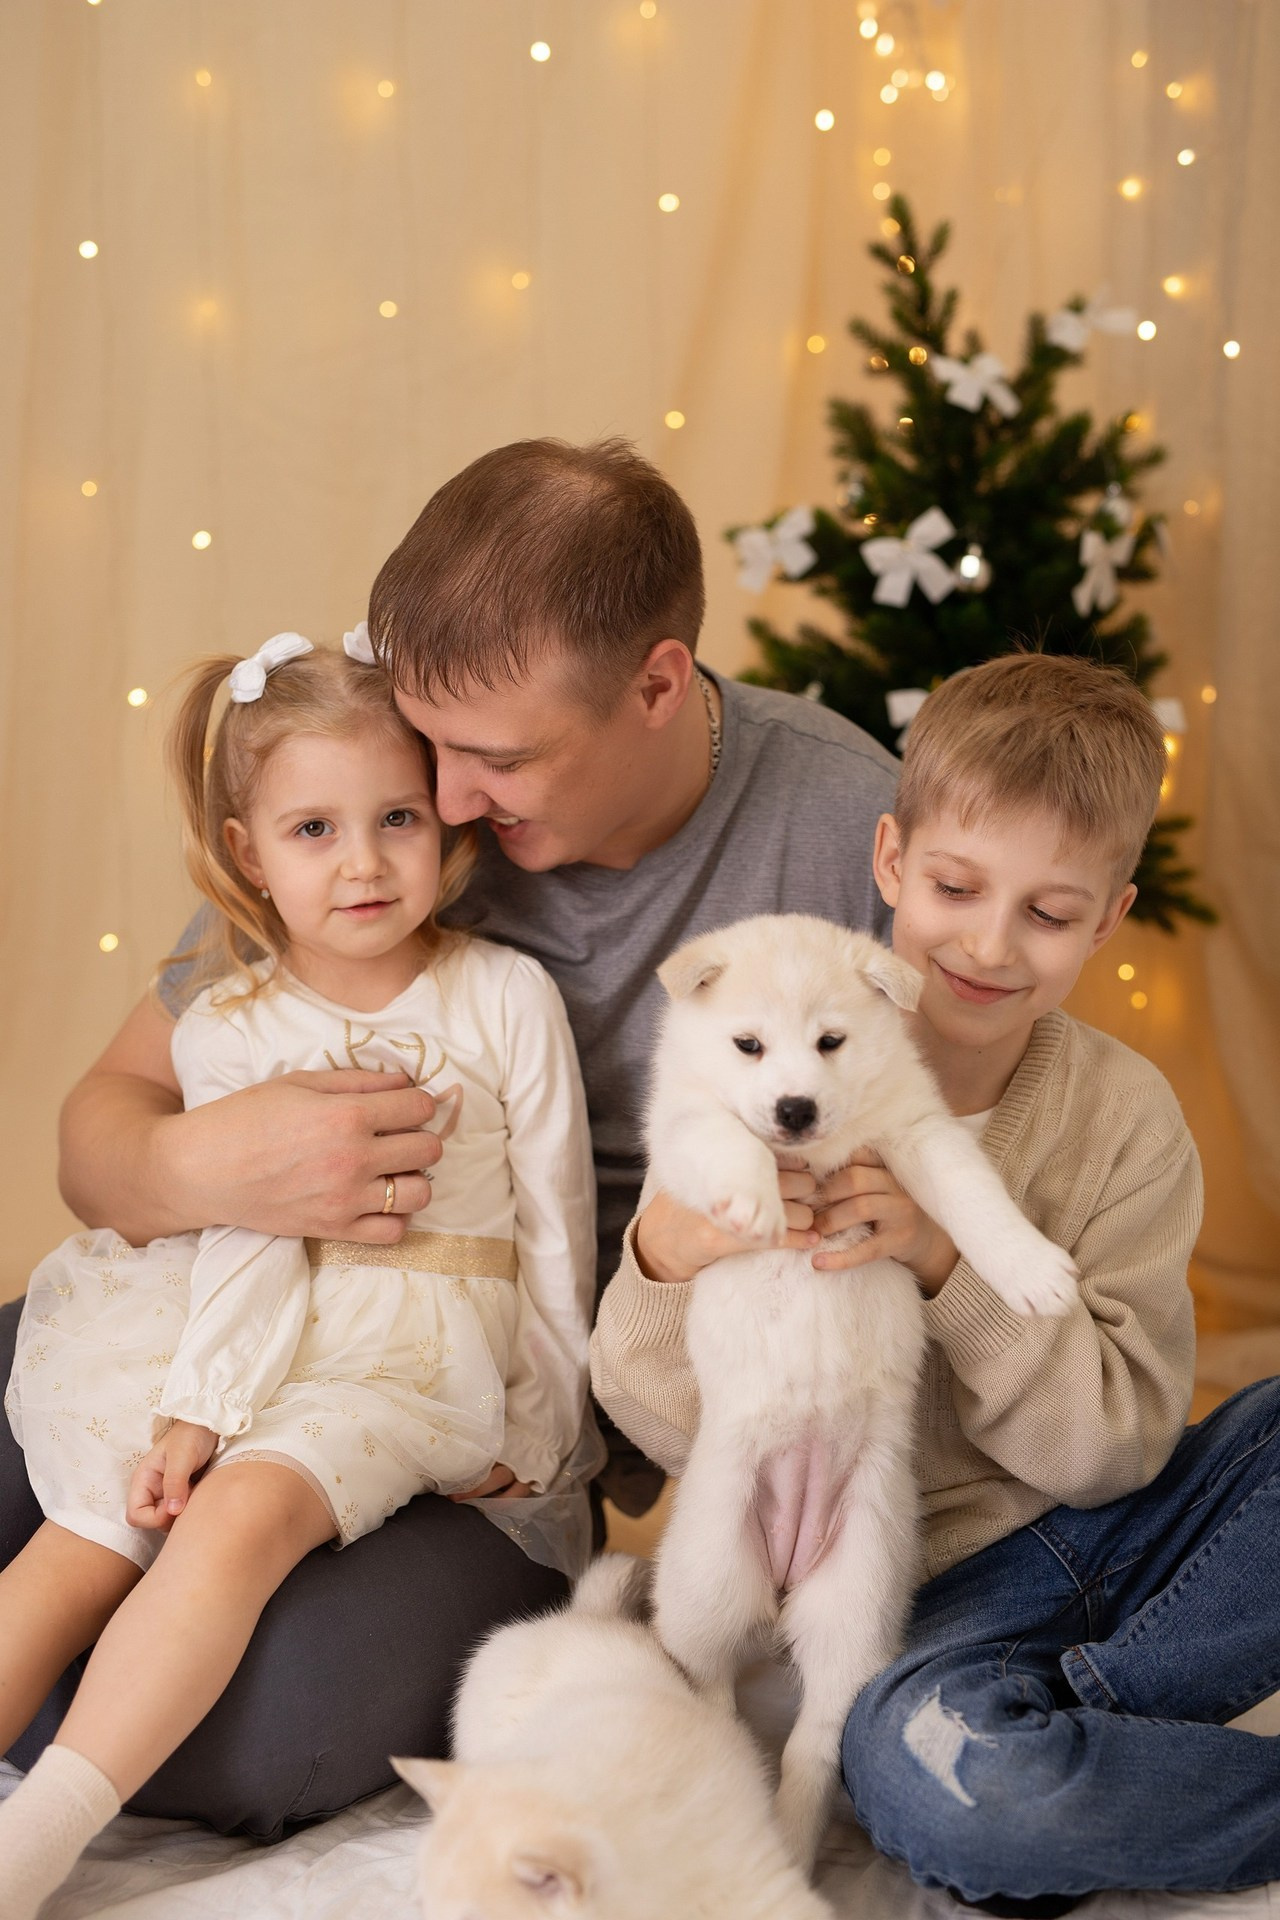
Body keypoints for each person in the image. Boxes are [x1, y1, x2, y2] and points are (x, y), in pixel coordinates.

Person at [11, 435, 898, 1834]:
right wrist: (202, 1165)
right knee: (50, 1441)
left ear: (658, 685)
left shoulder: (852, 830)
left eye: (491, 764)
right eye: (436, 752)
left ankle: (92, 1693)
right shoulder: (378, 797)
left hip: (480, 1421)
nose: (450, 811)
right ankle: (92, 1640)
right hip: (224, 1320)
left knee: (271, 1741)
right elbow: (100, 1131)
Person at [594, 651, 1280, 1911]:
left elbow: (1114, 1454)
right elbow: (661, 1419)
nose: (988, 944)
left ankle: (1073, 1727)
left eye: (1049, 912)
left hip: (1116, 1533)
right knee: (958, 1790)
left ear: (1110, 918)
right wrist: (665, 1257)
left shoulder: (1125, 1118)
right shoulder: (760, 1066)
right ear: (891, 861)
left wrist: (942, 1259)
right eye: (957, 887)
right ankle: (1043, 1744)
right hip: (924, 1597)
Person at [0, 632, 596, 1917]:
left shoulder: (501, 997)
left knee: (240, 1512)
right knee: (86, 1531)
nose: (366, 862)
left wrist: (543, 1433)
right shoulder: (228, 1022)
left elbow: (555, 1228)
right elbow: (246, 1241)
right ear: (246, 849)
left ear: (446, 819)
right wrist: (198, 1407)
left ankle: (36, 1841)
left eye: (394, 818)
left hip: (408, 1350)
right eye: (314, 829)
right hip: (246, 1334)